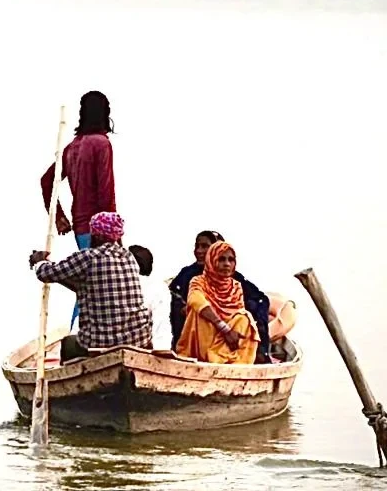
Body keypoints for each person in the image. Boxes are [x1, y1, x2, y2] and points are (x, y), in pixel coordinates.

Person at [40, 90, 116, 327]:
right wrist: (113, 235)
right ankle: (77, 332)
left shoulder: (72, 147)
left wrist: (60, 217)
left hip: (81, 225)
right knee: (96, 286)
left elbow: (46, 181)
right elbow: (106, 193)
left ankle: (76, 332)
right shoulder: (101, 144)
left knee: (88, 282)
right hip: (100, 230)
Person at [29, 212, 151, 360]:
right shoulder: (129, 257)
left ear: (96, 236)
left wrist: (39, 261)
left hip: (99, 343)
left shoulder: (88, 257)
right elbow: (91, 284)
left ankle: (74, 372)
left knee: (68, 344)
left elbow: (45, 273)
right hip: (139, 339)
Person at [168, 230, 271, 362]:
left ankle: (237, 360)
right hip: (203, 338)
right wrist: (223, 327)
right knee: (199, 311)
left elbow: (256, 302)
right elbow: (194, 300)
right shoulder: (194, 278)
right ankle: (211, 358)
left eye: (204, 246)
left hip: (227, 339)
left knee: (245, 318)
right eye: (221, 259)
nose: (199, 251)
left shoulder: (235, 284)